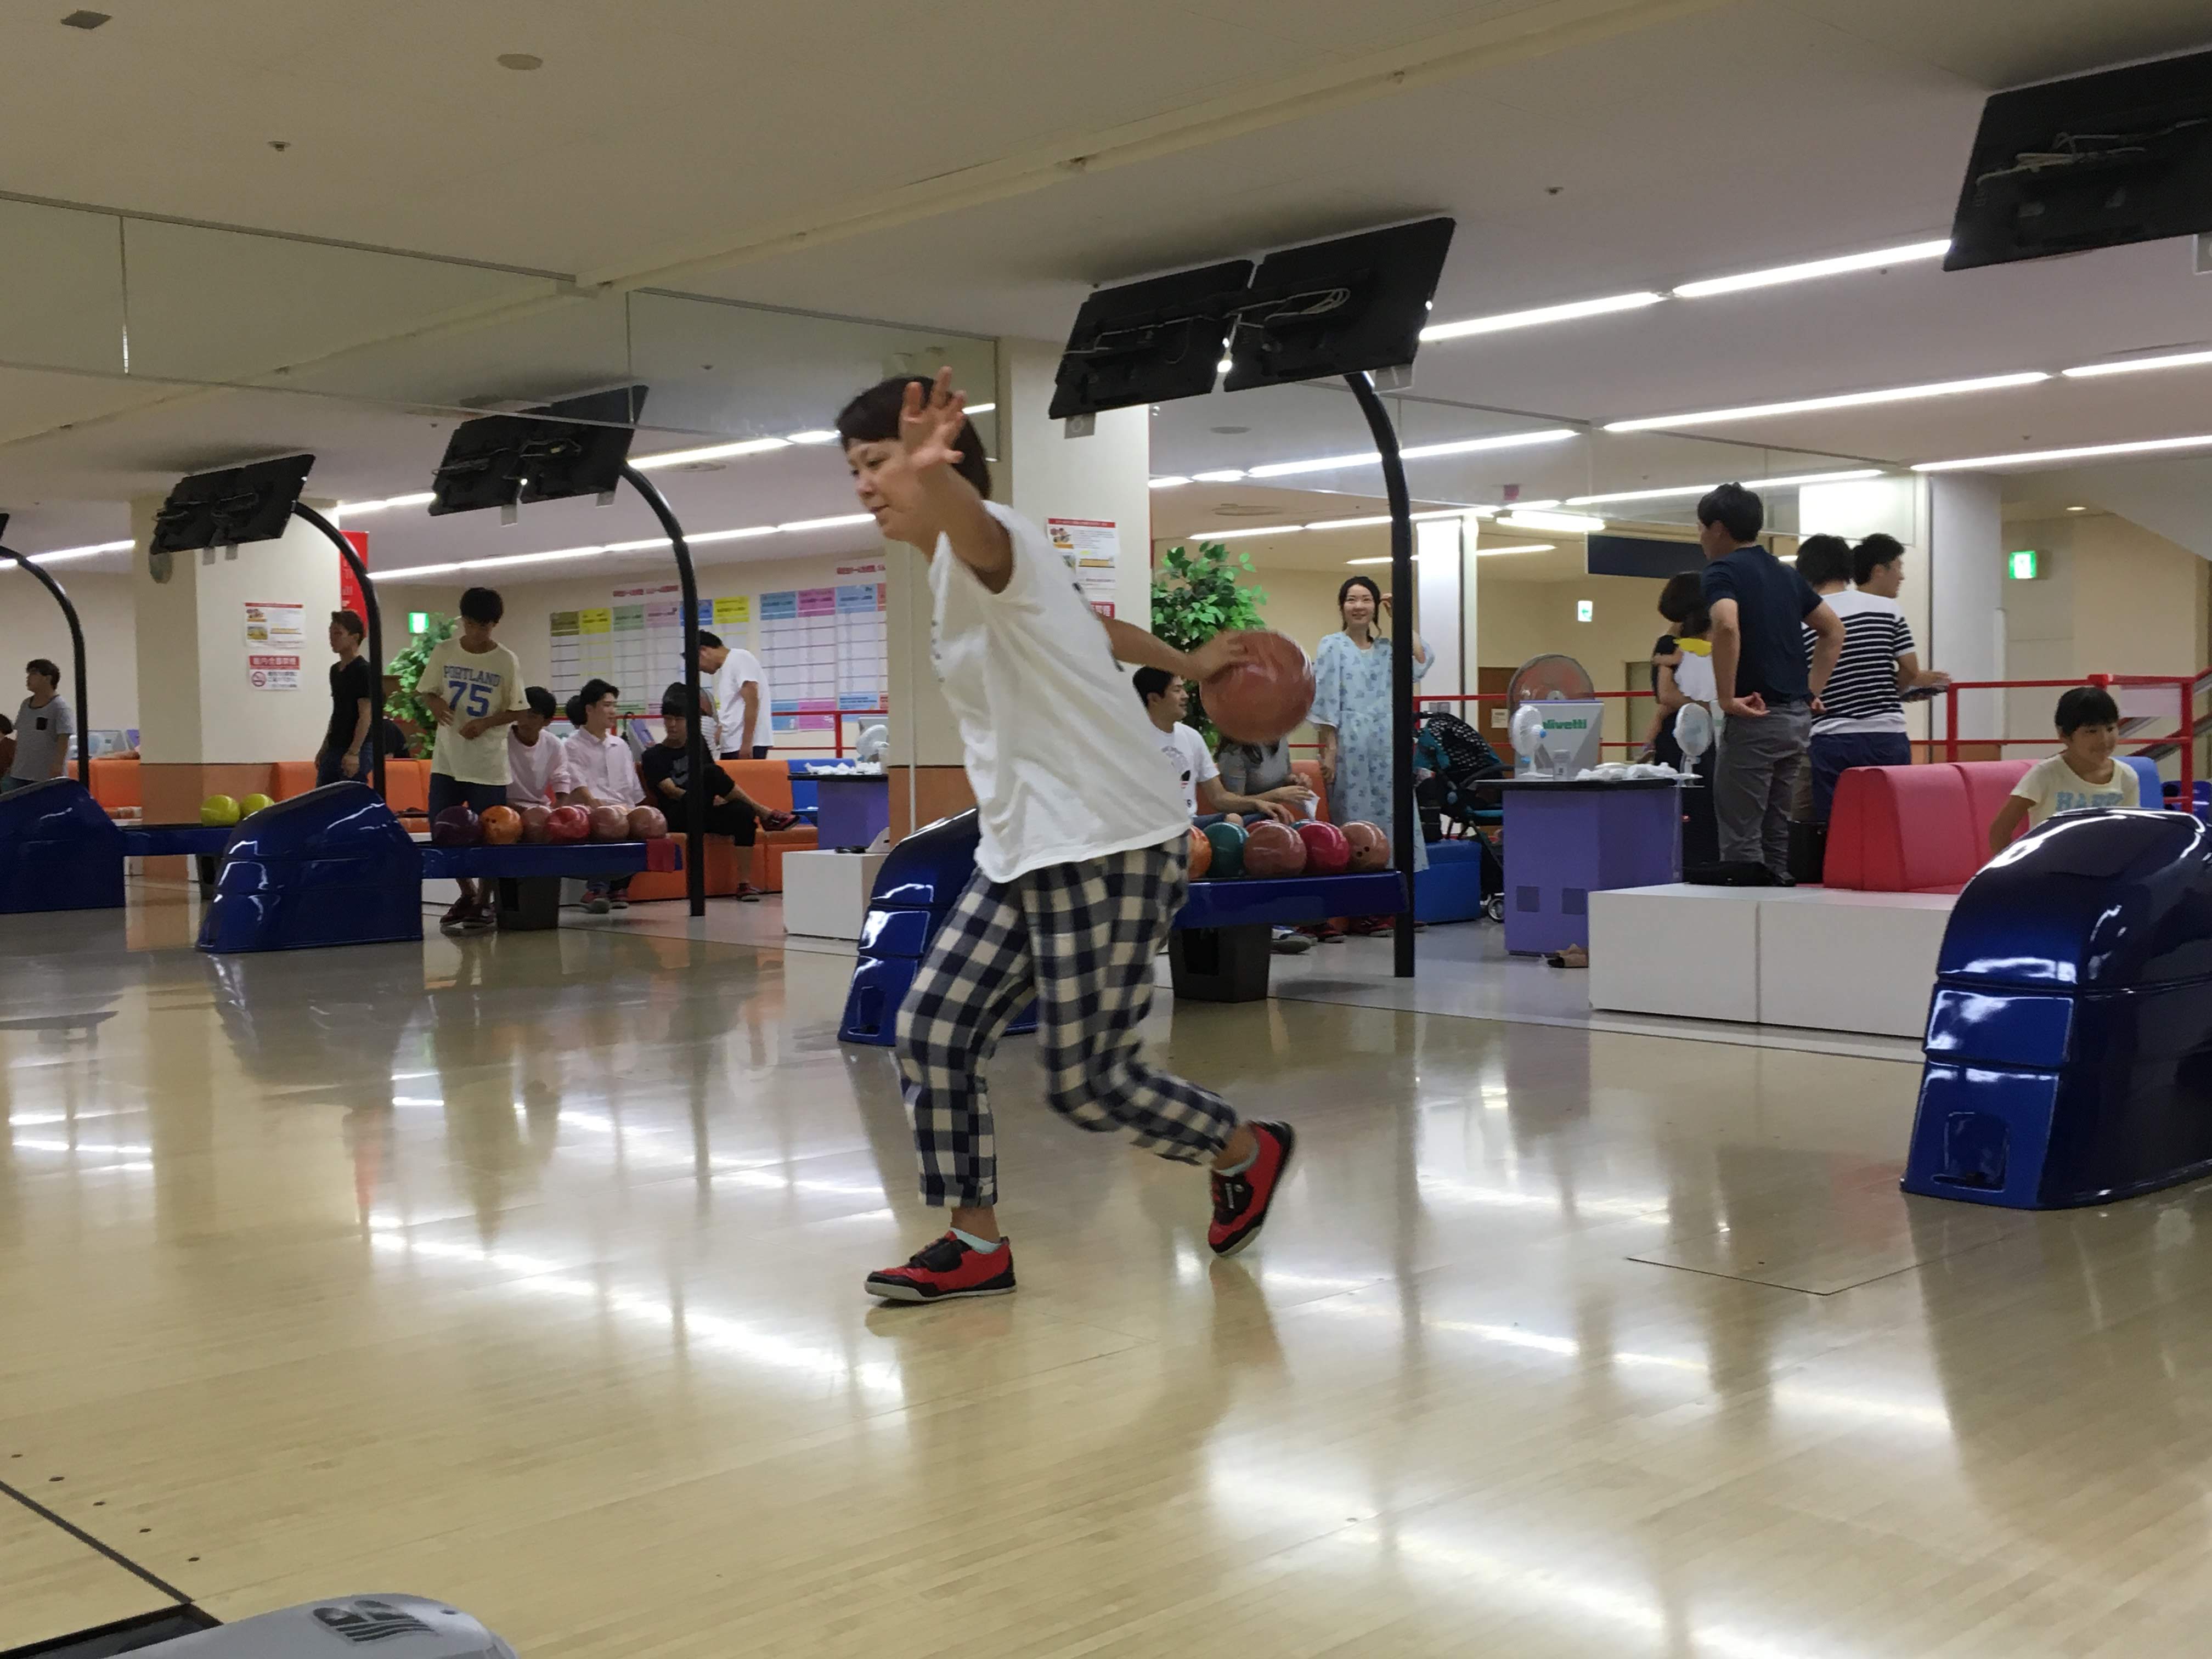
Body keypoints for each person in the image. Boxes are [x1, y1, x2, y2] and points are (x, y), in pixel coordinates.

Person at [839, 368, 1293, 1304]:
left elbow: (979, 531)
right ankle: (974, 1242)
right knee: (932, 1030)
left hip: (1110, 840)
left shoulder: (989, 543)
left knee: (1088, 1082)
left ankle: (1245, 1148)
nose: (866, 484)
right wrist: (1186, 658)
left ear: (942, 462)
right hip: (1025, 847)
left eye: (880, 461)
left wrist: (938, 475)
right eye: (858, 468)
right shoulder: (964, 571)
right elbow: (1092, 626)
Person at [1699, 484, 1844, 881]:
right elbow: (1833, 631)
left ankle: (1744, 909)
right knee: (1776, 827)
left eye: (1701, 528)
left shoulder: (1722, 571)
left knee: (1742, 833)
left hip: (1755, 715)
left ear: (1717, 528)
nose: (1700, 538)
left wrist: (1727, 697)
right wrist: (1811, 692)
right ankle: (1777, 900)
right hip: (1796, 720)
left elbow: (1726, 624)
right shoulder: (1786, 573)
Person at [1804, 532, 1949, 826]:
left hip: (1831, 736)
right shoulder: (1887, 609)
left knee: (1839, 825)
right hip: (1887, 734)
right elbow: (1910, 668)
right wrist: (1886, 693)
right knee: (1889, 821)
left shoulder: (1805, 617)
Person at [1313, 573, 1430, 932]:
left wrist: (1401, 618)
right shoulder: (1332, 646)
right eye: (1351, 599)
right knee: (1354, 823)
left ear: (1376, 606)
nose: (1359, 606)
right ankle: (1356, 910)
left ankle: (1391, 907)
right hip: (1351, 745)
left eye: (1366, 599)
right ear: (1341, 607)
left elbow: (1421, 660)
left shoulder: (1388, 650)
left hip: (1387, 744)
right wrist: (1330, 751)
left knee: (1394, 821)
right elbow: (1326, 700)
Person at [419, 588, 527, 934]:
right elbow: (427, 691)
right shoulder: (444, 651)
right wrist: (435, 703)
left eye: (486, 627)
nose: (478, 633)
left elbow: (517, 709)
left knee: (493, 835)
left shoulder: (505, 660)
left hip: (487, 765)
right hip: (448, 762)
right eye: (472, 625)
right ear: (462, 621)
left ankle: (484, 901)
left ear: (495, 625)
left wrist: (486, 723)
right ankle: (466, 892)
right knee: (443, 831)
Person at [641, 684, 797, 904]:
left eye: (679, 719)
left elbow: (715, 783)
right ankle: (765, 813)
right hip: (678, 813)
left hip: (704, 808)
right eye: (668, 719)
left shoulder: (697, 744)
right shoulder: (653, 756)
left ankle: (744, 884)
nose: (673, 725)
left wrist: (715, 798)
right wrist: (704, 794)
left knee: (743, 813)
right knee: (710, 772)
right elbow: (672, 791)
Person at [1988, 685, 2138, 854]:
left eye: (2110, 729)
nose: (2104, 739)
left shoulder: (2126, 777)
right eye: (2091, 731)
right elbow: (2000, 831)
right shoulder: (2045, 775)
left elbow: (2130, 832)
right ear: (2064, 735)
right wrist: (2016, 868)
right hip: (2051, 866)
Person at [1135, 668, 1297, 822]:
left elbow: (1219, 798)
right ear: (1154, 699)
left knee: (1267, 818)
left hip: (1190, 824)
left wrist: (1257, 803)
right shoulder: (1132, 739)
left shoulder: (1192, 737)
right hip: (1150, 827)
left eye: (1183, 689)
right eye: (1177, 691)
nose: (1185, 696)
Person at [1650, 572, 1720, 867]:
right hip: (1682, 735)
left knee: (1708, 800)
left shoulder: (1700, 643)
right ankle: (1688, 864)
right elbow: (1666, 696)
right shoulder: (1670, 644)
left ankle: (1705, 860)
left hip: (1703, 732)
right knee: (1690, 801)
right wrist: (1708, 706)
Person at [561, 678, 646, 913]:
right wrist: (602, 808)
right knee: (607, 820)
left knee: (649, 823)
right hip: (589, 811)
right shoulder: (571, 745)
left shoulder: (621, 746)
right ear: (589, 709)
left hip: (621, 809)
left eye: (614, 706)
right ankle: (597, 889)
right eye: (607, 705)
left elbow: (633, 792)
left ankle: (618, 885)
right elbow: (579, 788)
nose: (613, 711)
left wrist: (640, 814)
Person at [315, 610, 376, 788]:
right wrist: (325, 747)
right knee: (323, 796)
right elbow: (338, 711)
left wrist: (354, 752)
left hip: (357, 746)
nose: (332, 639)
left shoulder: (364, 670)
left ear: (354, 637)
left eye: (338, 633)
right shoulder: (335, 670)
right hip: (335, 744)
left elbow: (365, 714)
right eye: (330, 633)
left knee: (349, 795)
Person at [697, 630, 772, 760]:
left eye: (697, 662)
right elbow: (733, 710)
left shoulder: (739, 658)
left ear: (703, 651)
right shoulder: (726, 668)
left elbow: (752, 701)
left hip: (744, 744)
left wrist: (747, 743)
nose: (700, 669)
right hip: (732, 744)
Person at [5, 659, 73, 794]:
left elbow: (64, 738)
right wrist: (14, 763)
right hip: (20, 772)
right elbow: (22, 736)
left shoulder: (60, 707)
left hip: (45, 775)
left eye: (34, 674)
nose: (28, 678)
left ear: (48, 678)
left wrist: (58, 766)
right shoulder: (25, 704)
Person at [507, 686, 580, 809]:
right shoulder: (502, 740)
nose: (524, 721)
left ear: (547, 721)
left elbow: (561, 780)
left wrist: (558, 811)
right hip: (504, 806)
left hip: (539, 807)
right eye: (522, 713)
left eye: (532, 716)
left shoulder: (554, 745)